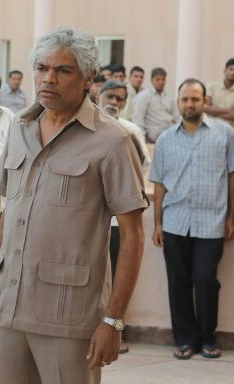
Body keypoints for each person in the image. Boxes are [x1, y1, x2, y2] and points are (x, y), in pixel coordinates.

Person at [0, 27, 148, 384]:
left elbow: (133, 236)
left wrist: (114, 321)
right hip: (7, 309)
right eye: (42, 68)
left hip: (70, 317)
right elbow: (7, 213)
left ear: (87, 79)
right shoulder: (19, 128)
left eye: (63, 70)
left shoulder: (113, 141)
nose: (49, 78)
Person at [150, 78, 234, 360]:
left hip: (211, 221)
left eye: (195, 99)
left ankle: (208, 338)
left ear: (205, 102)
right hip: (175, 221)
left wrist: (231, 217)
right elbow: (159, 184)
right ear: (178, 102)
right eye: (185, 99)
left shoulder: (224, 134)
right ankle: (186, 340)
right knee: (178, 281)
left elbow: (231, 177)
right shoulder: (165, 139)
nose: (189, 104)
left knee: (205, 280)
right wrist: (158, 223)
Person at [98, 79, 151, 354]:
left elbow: (140, 169)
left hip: (120, 221)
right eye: (110, 96)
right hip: (89, 223)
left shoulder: (129, 131)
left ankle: (115, 330)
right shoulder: (83, 129)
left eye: (120, 98)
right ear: (97, 93)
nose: (114, 102)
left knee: (118, 275)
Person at [132, 67, 180, 143]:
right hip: (153, 132)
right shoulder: (143, 96)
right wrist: (141, 141)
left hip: (169, 130)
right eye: (157, 79)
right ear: (151, 80)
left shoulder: (169, 97)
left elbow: (178, 116)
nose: (161, 82)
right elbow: (138, 119)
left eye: (163, 79)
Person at [205, 58, 234, 131]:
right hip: (212, 129)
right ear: (225, 70)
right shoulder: (211, 86)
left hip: (232, 131)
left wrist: (214, 114)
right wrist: (230, 111)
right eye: (231, 69)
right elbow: (206, 108)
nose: (233, 72)